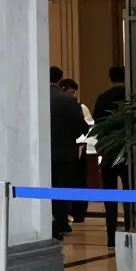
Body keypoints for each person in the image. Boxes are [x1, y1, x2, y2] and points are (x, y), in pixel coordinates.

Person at [49, 66, 87, 239]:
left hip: (41, 154)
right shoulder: (69, 101)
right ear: (59, 79)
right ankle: (61, 222)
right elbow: (81, 129)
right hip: (66, 153)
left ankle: (46, 223)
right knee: (63, 189)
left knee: (43, 188)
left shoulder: (34, 97)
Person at [94, 65, 129, 247]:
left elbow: (98, 123)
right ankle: (131, 228)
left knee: (109, 194)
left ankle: (110, 236)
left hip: (108, 151)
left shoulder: (102, 98)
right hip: (128, 149)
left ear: (110, 78)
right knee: (130, 193)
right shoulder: (131, 97)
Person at [59, 77, 94, 221]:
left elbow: (89, 127)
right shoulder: (71, 106)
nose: (73, 96)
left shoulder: (80, 107)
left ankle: (76, 212)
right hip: (70, 151)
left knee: (76, 182)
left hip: (76, 150)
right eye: (71, 92)